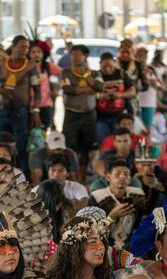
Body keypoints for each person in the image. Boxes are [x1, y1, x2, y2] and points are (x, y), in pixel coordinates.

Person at [0, 35, 41, 178]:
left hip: (21, 111)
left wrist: (35, 111)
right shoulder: (0, 63)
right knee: (0, 144)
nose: (25, 50)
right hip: (3, 110)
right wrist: (1, 90)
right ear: (14, 46)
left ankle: (22, 179)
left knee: (21, 147)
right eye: (22, 46)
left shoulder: (31, 66)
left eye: (27, 47)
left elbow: (37, 91)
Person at [61, 44, 104, 181]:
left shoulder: (95, 73)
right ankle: (71, 178)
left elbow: (99, 87)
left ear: (85, 56)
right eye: (72, 54)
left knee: (87, 147)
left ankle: (83, 179)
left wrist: (85, 75)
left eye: (78, 54)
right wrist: (87, 89)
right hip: (71, 114)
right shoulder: (66, 72)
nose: (74, 57)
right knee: (70, 147)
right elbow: (67, 89)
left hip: (88, 115)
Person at [89, 157, 145, 250]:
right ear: (108, 177)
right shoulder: (97, 197)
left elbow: (139, 224)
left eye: (126, 174)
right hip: (104, 245)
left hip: (130, 245)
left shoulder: (137, 195)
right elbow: (93, 232)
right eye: (117, 174)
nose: (122, 177)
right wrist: (111, 217)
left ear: (130, 178)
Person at [96, 52, 135, 143]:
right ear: (100, 64)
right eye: (104, 66)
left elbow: (132, 92)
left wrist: (120, 95)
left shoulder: (121, 74)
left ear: (114, 63)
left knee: (120, 140)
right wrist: (100, 96)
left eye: (110, 66)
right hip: (101, 116)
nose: (108, 69)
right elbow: (90, 93)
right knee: (103, 141)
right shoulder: (96, 75)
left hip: (119, 115)